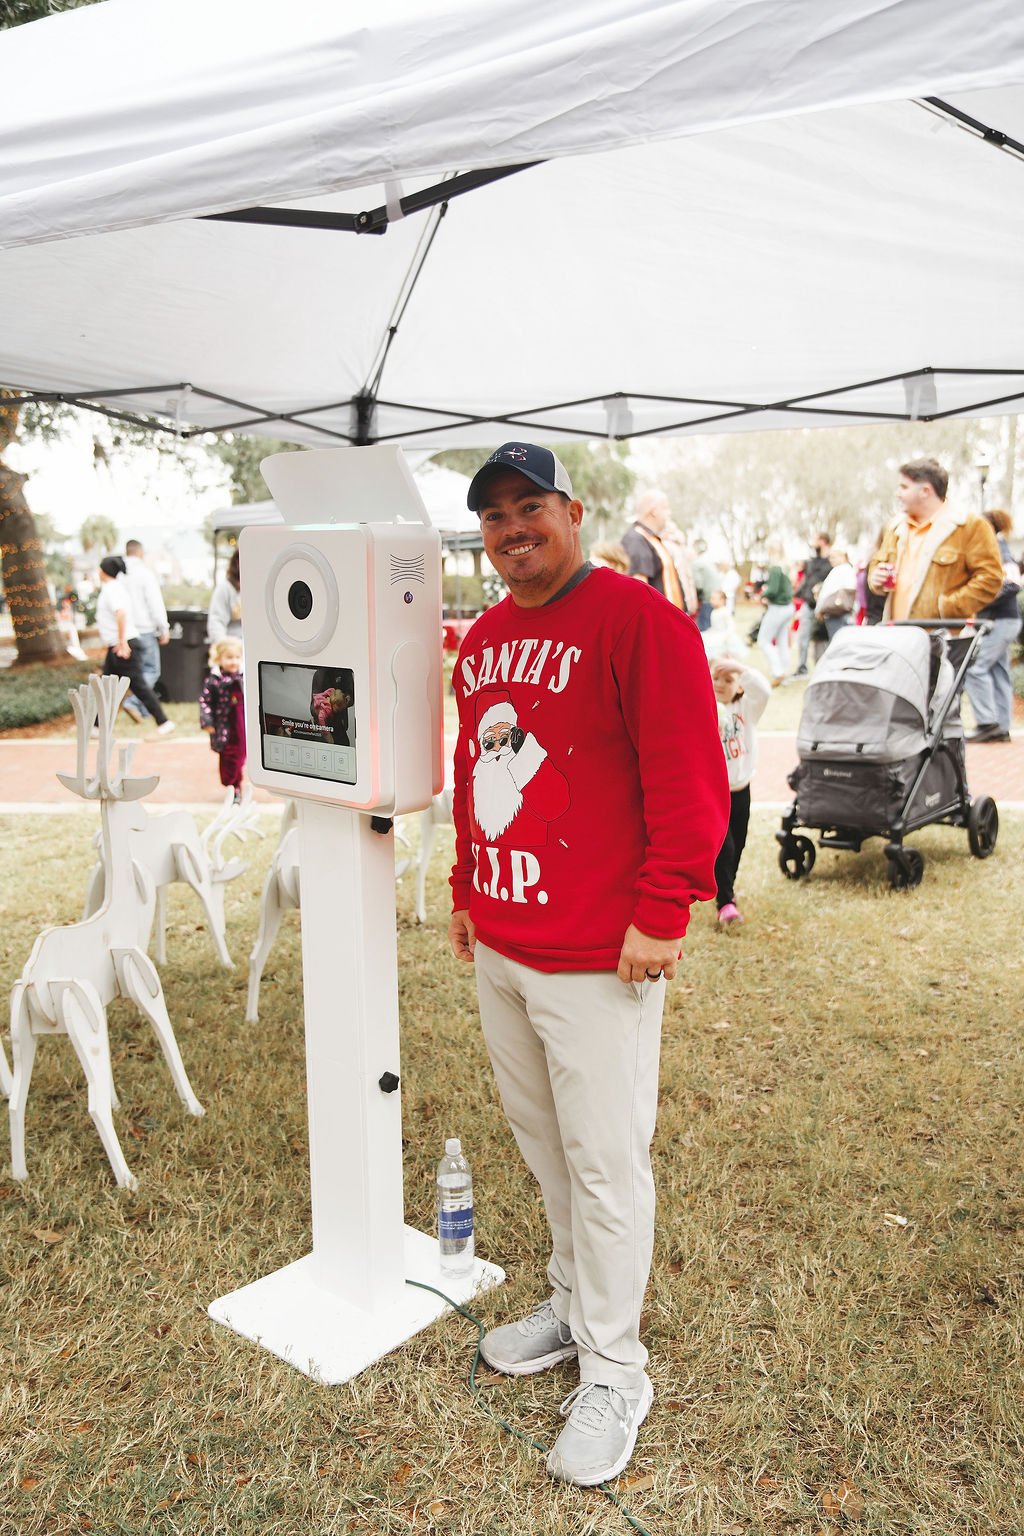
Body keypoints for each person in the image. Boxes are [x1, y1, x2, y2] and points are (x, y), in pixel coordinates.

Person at [448, 442, 728, 1488]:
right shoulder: (480, 641)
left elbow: (688, 778)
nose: (512, 528)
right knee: (543, 1142)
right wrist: (466, 894)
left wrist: (664, 913)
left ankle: (616, 1367)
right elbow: (477, 773)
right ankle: (572, 1303)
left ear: (571, 511)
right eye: (493, 516)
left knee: (607, 1162)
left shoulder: (637, 621)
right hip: (507, 943)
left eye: (529, 507)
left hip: (600, 954)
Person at [867, 458, 1002, 622]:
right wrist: (876, 578)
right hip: (898, 636)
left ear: (925, 491)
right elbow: (877, 563)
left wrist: (946, 608)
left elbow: (991, 579)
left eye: (904, 487)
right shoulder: (895, 527)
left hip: (947, 638)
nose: (898, 493)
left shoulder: (970, 526)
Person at [710, 658, 771, 928]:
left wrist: (738, 667)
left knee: (739, 845)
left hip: (741, 790)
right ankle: (725, 903)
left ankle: (727, 891)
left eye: (728, 679)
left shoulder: (748, 708)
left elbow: (764, 690)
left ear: (739, 686)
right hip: (714, 793)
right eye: (716, 678)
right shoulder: (706, 707)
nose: (721, 684)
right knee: (725, 846)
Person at [95, 556, 175, 735]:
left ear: (103, 571)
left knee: (138, 685)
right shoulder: (112, 588)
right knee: (106, 686)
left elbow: (121, 614)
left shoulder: (112, 589)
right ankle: (96, 726)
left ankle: (164, 721)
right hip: (117, 644)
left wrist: (122, 642)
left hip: (124, 645)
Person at [962, 510, 1020, 742]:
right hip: (1003, 620)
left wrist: (981, 598)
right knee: (998, 671)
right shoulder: (997, 547)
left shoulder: (999, 549)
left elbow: (1014, 583)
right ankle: (1002, 727)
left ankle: (987, 722)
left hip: (1000, 620)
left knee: (975, 668)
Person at [620, 490, 695, 613]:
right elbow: (638, 588)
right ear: (653, 511)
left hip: (670, 619)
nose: (669, 514)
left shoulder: (652, 539)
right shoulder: (636, 539)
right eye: (666, 508)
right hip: (657, 622)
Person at [121, 537, 170, 722]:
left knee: (138, 672)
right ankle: (134, 703)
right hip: (144, 629)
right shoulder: (144, 573)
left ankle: (141, 708)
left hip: (125, 632)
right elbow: (154, 603)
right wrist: (163, 627)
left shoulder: (119, 575)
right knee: (151, 670)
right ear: (140, 553)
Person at [198, 638, 246, 797]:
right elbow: (205, 701)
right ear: (219, 659)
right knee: (228, 755)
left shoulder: (244, 677)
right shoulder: (214, 680)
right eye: (229, 657)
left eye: (237, 657)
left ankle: (236, 783)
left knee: (240, 754)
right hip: (224, 725)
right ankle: (233, 786)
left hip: (242, 724)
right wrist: (207, 721)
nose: (234, 662)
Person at [792, 533, 832, 676]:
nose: (812, 543)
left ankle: (822, 670)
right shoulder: (811, 562)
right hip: (808, 605)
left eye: (815, 540)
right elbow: (807, 581)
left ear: (823, 541)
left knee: (820, 641)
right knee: (803, 637)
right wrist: (797, 594)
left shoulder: (831, 562)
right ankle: (802, 668)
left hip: (824, 607)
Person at [757, 548, 794, 685]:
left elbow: (772, 590)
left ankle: (778, 672)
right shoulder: (785, 567)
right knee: (782, 642)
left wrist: (761, 595)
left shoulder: (775, 568)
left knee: (763, 641)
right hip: (788, 607)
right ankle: (784, 673)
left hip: (778, 608)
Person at [814, 548, 857, 643]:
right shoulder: (846, 570)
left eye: (834, 557)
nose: (831, 560)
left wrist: (819, 609)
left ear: (843, 556)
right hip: (840, 613)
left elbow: (827, 593)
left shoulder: (841, 570)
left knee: (837, 644)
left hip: (835, 613)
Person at [207, 549, 242, 645]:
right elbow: (216, 622)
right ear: (237, 562)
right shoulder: (225, 588)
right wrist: (223, 648)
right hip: (233, 648)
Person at [702, 589, 745, 662]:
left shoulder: (725, 612)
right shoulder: (714, 611)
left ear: (722, 600)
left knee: (723, 657)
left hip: (723, 637)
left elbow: (731, 626)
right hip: (715, 634)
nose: (711, 601)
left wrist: (725, 637)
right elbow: (715, 626)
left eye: (714, 599)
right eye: (711, 598)